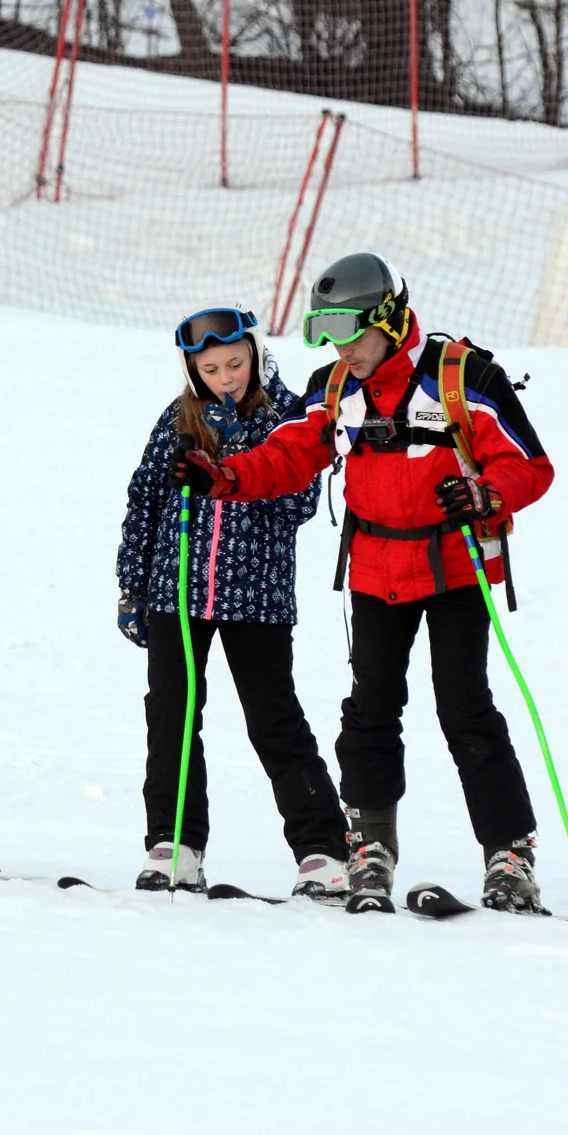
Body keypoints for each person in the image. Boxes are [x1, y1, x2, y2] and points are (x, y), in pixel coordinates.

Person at [176, 254, 555, 914]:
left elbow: (530, 464)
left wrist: (483, 492)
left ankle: (509, 853)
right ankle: (371, 842)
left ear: (387, 315)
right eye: (326, 331)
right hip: (377, 569)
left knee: (464, 705)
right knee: (371, 706)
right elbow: (291, 452)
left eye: (349, 329)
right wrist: (227, 476)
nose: (339, 347)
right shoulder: (334, 388)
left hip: (455, 564)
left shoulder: (461, 375)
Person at [115, 307, 350, 897]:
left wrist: (226, 476)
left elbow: (298, 503)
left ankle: (323, 850)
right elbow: (143, 501)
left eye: (236, 363)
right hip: (176, 591)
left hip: (256, 595)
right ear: (194, 370)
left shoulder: (288, 414)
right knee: (172, 716)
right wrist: (133, 585)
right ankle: (175, 845)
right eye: (212, 367)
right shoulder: (179, 418)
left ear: (255, 355)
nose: (227, 376)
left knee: (274, 719)